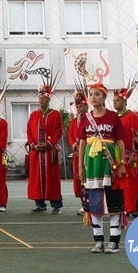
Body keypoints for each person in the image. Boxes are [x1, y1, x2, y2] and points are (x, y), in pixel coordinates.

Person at [77, 83, 127, 254]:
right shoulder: (85, 118)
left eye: (97, 94)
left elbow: (120, 141)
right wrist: (80, 168)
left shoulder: (113, 117)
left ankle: (114, 242)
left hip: (109, 162)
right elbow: (82, 143)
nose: (93, 97)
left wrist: (121, 164)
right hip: (92, 165)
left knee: (114, 201)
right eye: (91, 94)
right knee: (95, 202)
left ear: (104, 98)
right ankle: (98, 241)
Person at [25, 85, 63, 214]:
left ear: (48, 99)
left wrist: (48, 143)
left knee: (52, 179)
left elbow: (58, 131)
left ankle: (56, 205)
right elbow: (29, 131)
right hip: (36, 152)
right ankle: (40, 204)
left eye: (44, 98)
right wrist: (33, 145)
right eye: (40, 97)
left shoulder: (55, 114)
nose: (41, 100)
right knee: (36, 178)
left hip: (49, 152)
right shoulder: (34, 115)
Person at [112, 86, 138, 217]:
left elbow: (137, 137)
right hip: (117, 154)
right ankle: (123, 206)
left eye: (118, 101)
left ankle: (134, 207)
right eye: (114, 101)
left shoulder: (133, 117)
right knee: (119, 182)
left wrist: (134, 154)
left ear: (125, 102)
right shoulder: (113, 116)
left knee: (132, 182)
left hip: (131, 154)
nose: (115, 103)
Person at [66, 92, 88, 214]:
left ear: (86, 106)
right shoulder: (74, 122)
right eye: (78, 106)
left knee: (89, 178)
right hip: (77, 155)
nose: (80, 109)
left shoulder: (91, 119)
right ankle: (83, 203)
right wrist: (74, 145)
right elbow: (70, 135)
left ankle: (90, 203)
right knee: (78, 179)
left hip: (89, 154)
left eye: (82, 106)